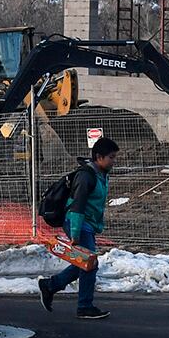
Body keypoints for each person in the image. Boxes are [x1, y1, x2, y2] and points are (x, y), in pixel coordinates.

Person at [38, 136, 118, 319]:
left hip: (87, 224)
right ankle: (84, 307)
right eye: (111, 157)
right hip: (78, 223)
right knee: (90, 264)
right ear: (99, 157)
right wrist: (74, 234)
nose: (114, 161)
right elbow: (77, 206)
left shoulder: (100, 174)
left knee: (83, 263)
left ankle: (50, 286)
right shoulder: (86, 176)